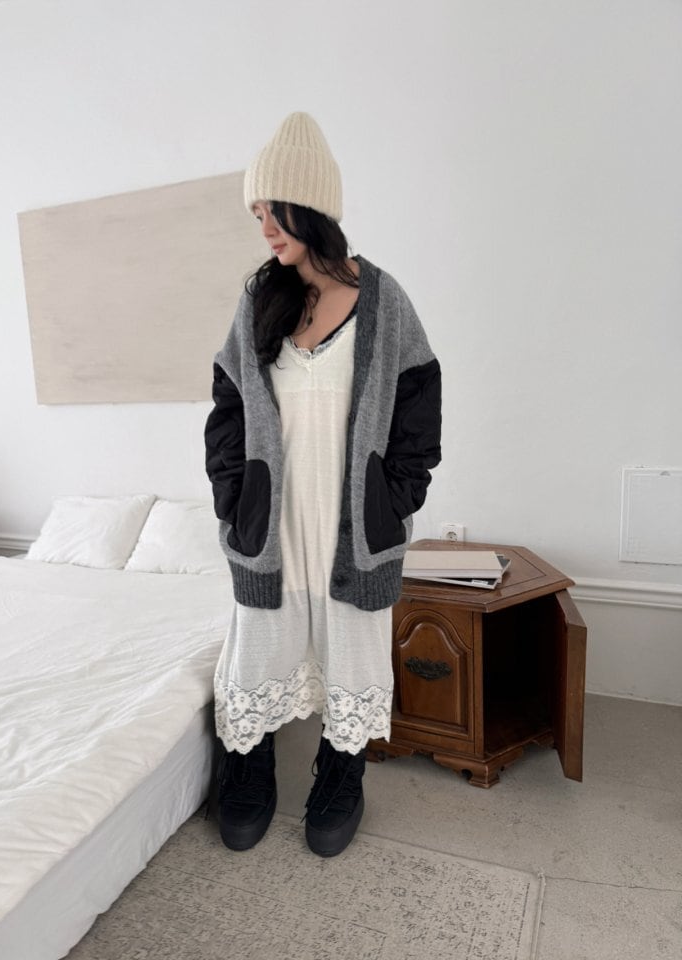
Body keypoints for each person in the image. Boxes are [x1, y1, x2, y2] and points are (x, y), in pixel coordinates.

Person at [205, 112, 441, 857]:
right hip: (271, 530)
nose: (264, 227)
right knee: (255, 651)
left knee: (354, 660)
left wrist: (392, 501)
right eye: (256, 214)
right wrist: (232, 498)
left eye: (273, 209)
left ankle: (341, 775)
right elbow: (226, 408)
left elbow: (418, 416)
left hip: (354, 534)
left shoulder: (386, 302)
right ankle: (248, 768)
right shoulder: (258, 303)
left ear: (311, 205)